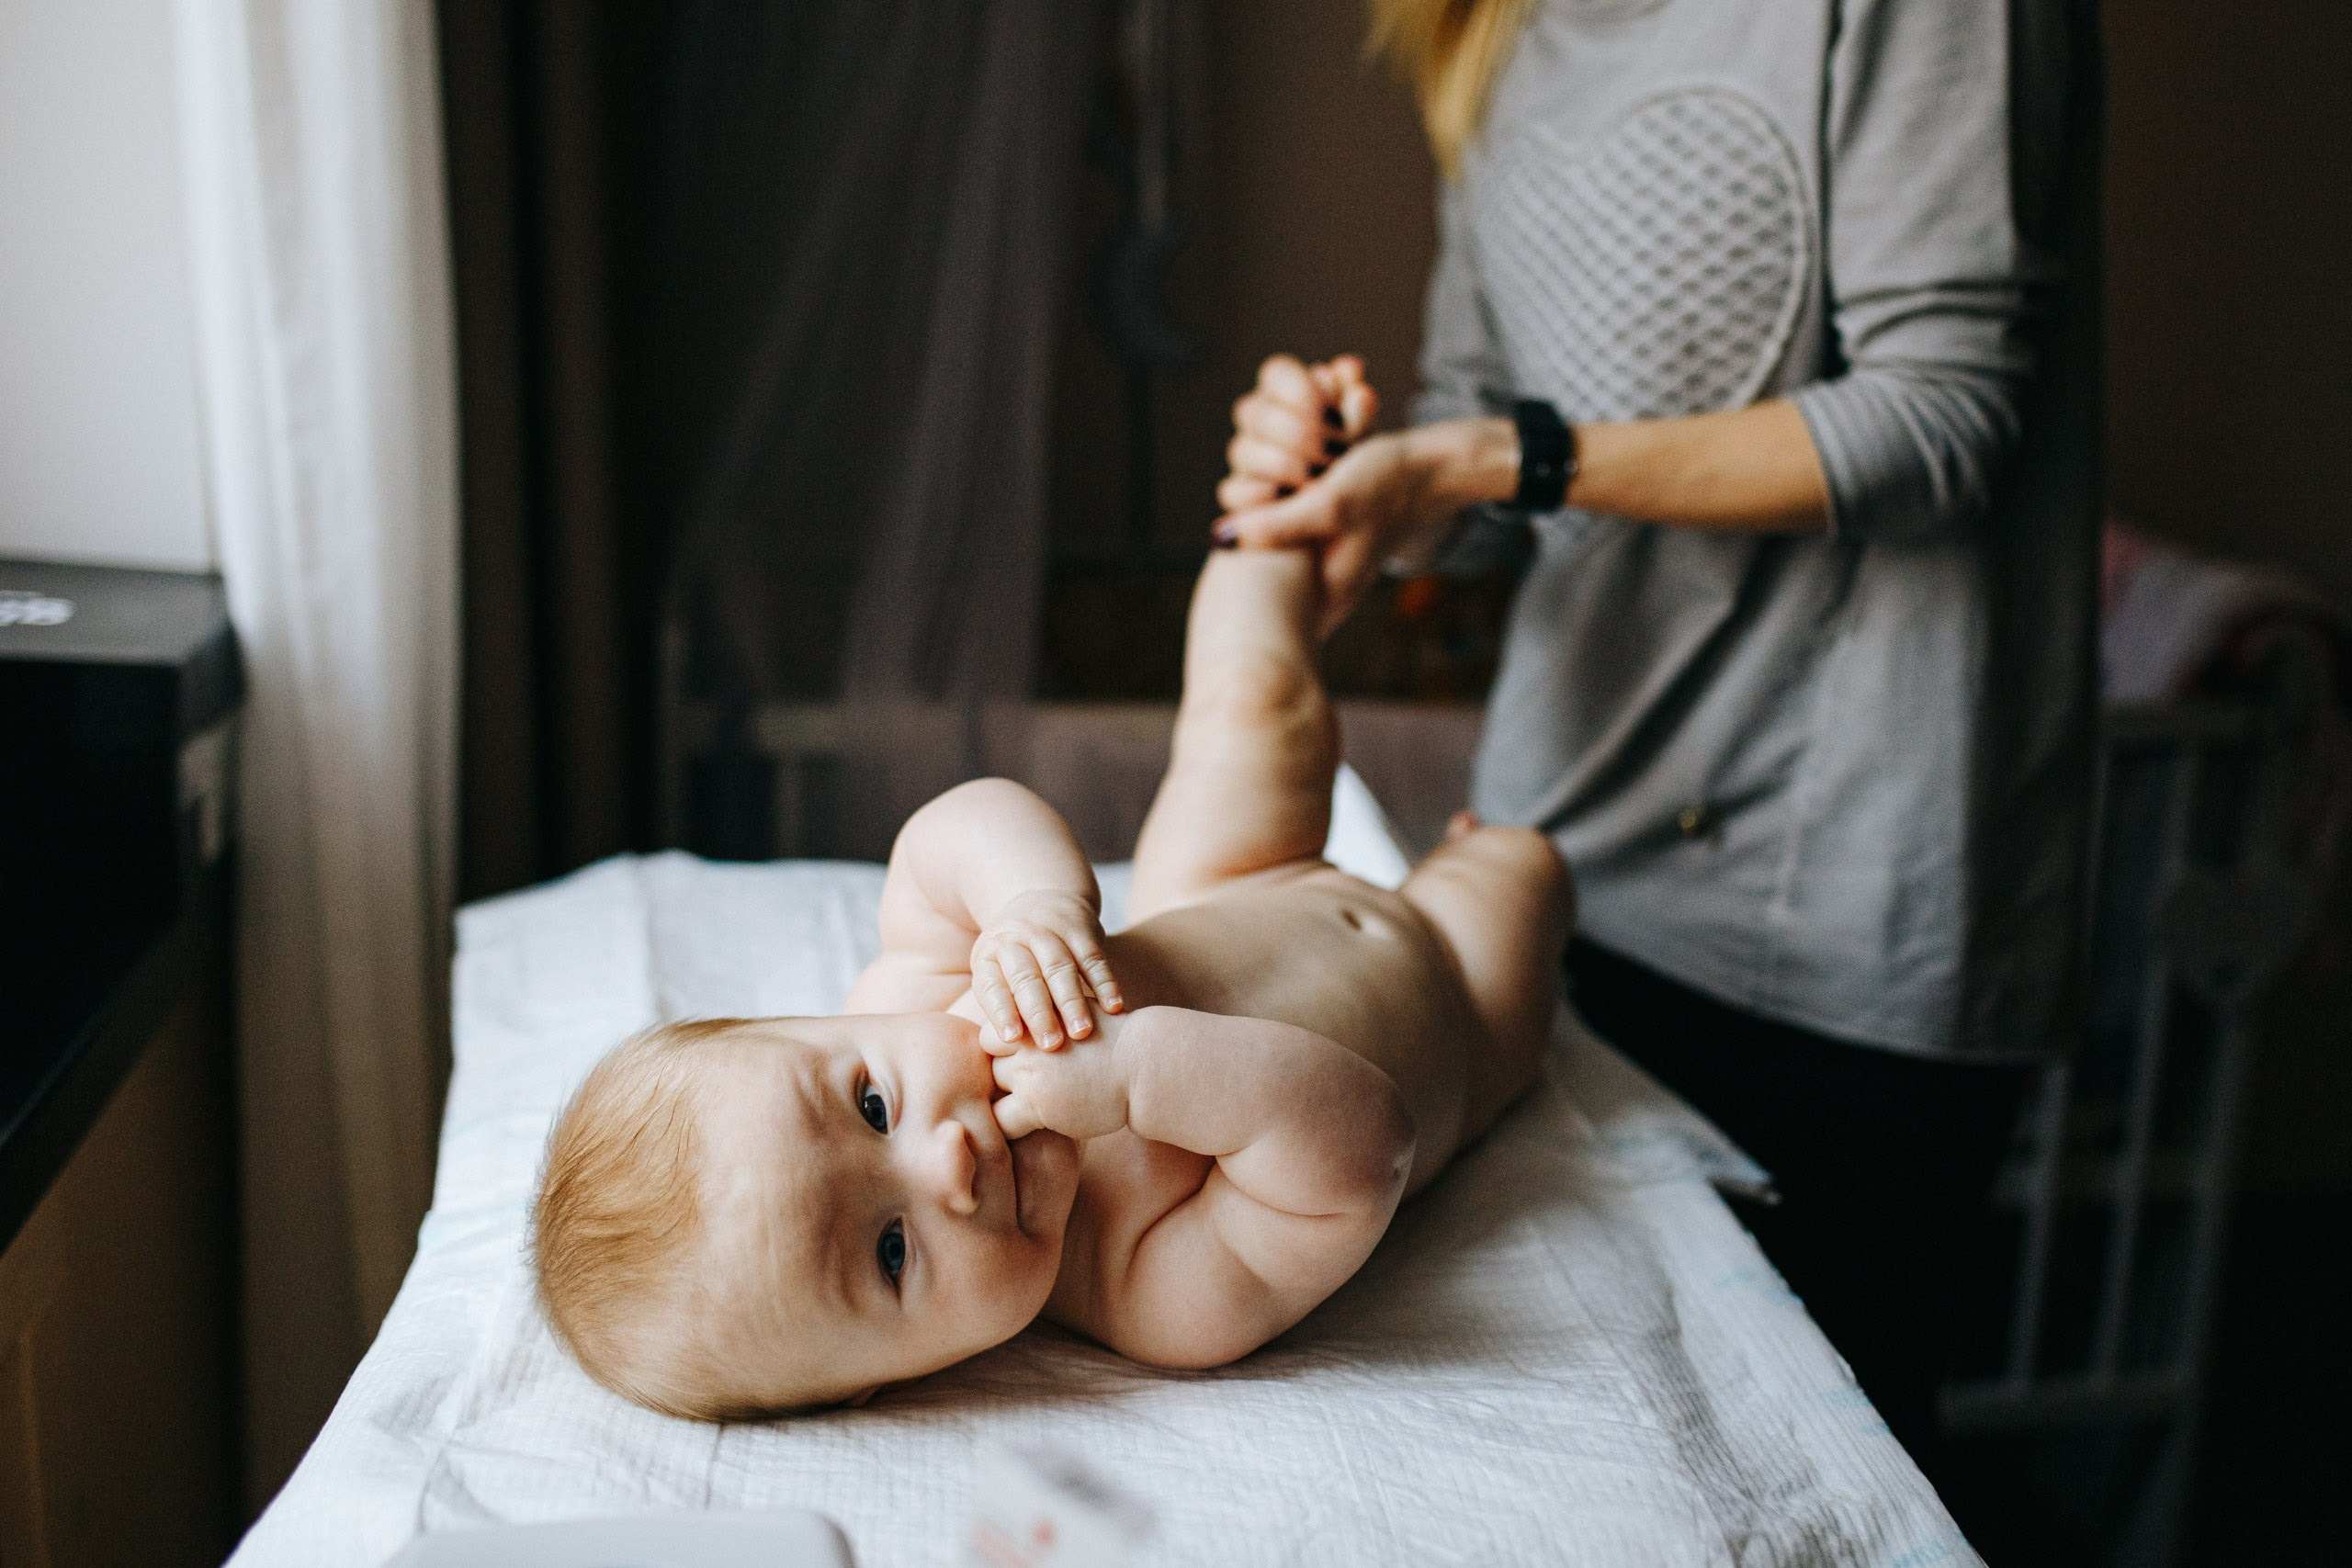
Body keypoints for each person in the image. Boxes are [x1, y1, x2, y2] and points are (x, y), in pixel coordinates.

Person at [1212, 0, 2097, 1463]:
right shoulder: (1484, 29)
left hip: (1844, 896)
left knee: (1822, 1457)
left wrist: (1499, 455)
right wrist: (1369, 479)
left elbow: (1940, 420)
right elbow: (1483, 454)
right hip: (1548, 875)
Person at [532, 546, 1574, 1417]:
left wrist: (1033, 904)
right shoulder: (1150, 1292)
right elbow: (1363, 1148)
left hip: (1224, 886)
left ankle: (1276, 529)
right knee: (1525, 866)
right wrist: (1139, 1076)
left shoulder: (911, 1003)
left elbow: (950, 838)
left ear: (814, 1026)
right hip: (1450, 997)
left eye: (869, 1103)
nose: (946, 1160)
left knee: (1243, 710)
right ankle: (1472, 860)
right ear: (904, 1381)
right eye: (893, 1252)